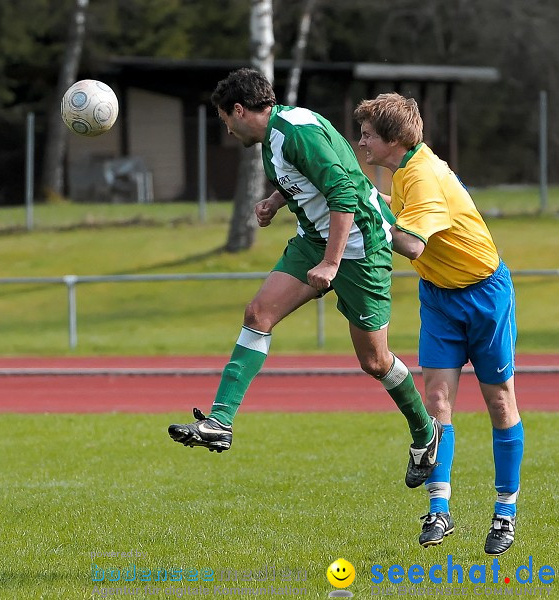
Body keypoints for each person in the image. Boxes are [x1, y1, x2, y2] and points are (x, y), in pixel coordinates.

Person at [167, 68, 441, 490]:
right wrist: (276, 202)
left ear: (239, 110)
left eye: (225, 119)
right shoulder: (279, 131)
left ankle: (426, 432)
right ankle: (221, 421)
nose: (227, 128)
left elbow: (343, 193)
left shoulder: (296, 133)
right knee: (258, 313)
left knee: (375, 361)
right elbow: (304, 178)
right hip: (315, 239)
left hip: (358, 246)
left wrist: (332, 265)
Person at [354, 93, 523, 555]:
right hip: (440, 298)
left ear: (392, 139)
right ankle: (439, 510)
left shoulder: (425, 176)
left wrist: (366, 219)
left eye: (368, 134)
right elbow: (398, 210)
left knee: (499, 402)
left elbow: (410, 245)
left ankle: (505, 513)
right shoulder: (408, 169)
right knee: (437, 400)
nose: (362, 141)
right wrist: (366, 197)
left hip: (483, 295)